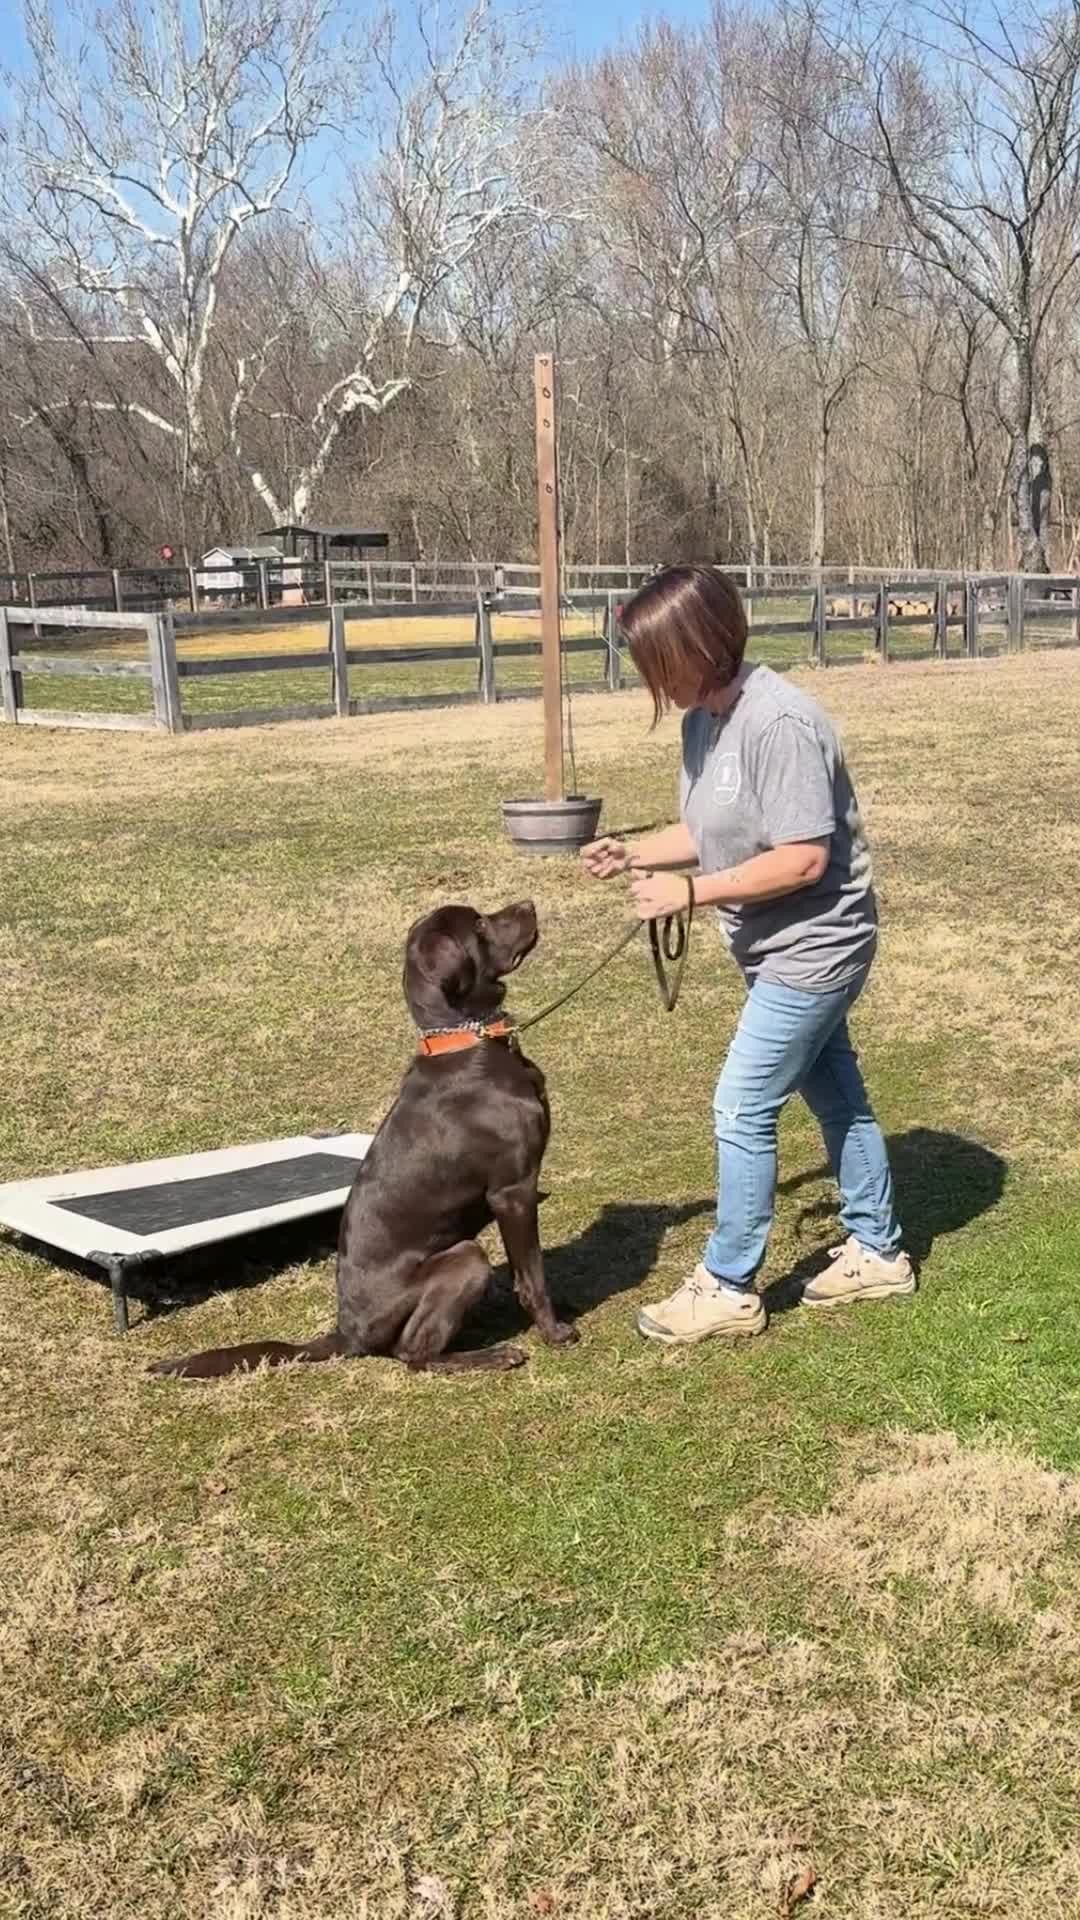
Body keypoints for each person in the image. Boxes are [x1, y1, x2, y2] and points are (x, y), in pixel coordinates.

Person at [581, 565, 913, 1345]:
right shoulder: (705, 719)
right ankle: (879, 1249)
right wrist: (634, 855)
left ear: (699, 647)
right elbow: (709, 832)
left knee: (740, 1104)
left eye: (655, 659)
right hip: (771, 946)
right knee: (835, 1092)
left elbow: (802, 858)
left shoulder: (781, 723)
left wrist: (690, 895)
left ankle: (728, 1284)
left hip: (817, 945)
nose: (647, 677)